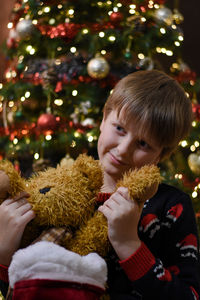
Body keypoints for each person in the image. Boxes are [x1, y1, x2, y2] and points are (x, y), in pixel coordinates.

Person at [0, 70, 199, 299]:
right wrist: (4, 254)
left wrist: (128, 244)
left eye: (143, 143)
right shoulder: (60, 191)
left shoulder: (172, 207)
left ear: (161, 154)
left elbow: (189, 295)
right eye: (120, 129)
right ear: (104, 119)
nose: (123, 149)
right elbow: (25, 290)